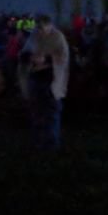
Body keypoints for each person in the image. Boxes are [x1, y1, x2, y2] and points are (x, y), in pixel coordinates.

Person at [19, 15, 69, 151]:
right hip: (36, 79)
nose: (39, 30)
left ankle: (51, 144)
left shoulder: (58, 38)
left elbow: (63, 58)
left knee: (51, 113)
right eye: (38, 27)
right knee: (37, 112)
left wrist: (46, 59)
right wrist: (31, 57)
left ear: (49, 25)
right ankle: (38, 142)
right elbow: (24, 55)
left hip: (51, 80)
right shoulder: (34, 37)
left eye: (41, 27)